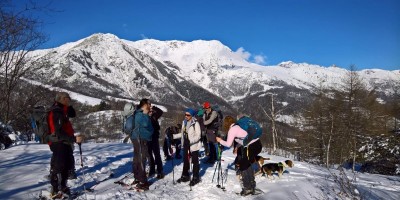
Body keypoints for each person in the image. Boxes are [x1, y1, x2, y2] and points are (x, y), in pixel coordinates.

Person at [47, 92, 83, 198]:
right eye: (68, 99)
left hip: (64, 142)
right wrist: (74, 139)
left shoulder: (62, 109)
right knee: (59, 166)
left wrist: (69, 106)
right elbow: (59, 132)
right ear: (61, 99)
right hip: (58, 142)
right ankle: (56, 191)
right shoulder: (57, 112)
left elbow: (73, 114)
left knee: (66, 165)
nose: (69, 100)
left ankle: (62, 187)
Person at [216, 115, 262, 196]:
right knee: (247, 164)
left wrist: (220, 140)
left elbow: (228, 144)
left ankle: (248, 188)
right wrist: (237, 147)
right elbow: (243, 138)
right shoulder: (238, 126)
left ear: (226, 124)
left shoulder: (232, 130)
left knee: (243, 166)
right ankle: (251, 186)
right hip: (256, 145)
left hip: (251, 147)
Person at [174, 108, 202, 186]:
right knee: (186, 160)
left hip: (194, 145)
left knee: (195, 161)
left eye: (188, 115)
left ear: (192, 115)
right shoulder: (184, 122)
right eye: (185, 114)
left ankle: (196, 177)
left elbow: (198, 136)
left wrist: (191, 141)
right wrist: (173, 136)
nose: (186, 116)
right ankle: (185, 175)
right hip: (186, 143)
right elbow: (183, 134)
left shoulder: (195, 123)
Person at [131, 98, 153, 191]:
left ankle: (137, 177)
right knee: (141, 159)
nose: (150, 106)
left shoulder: (138, 113)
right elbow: (145, 123)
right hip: (140, 139)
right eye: (149, 105)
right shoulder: (140, 114)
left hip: (138, 138)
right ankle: (143, 182)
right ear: (145, 105)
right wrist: (147, 115)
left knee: (137, 159)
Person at [147, 106, 164, 179]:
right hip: (147, 138)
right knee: (149, 155)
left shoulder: (154, 116)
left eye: (151, 111)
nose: (150, 113)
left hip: (154, 138)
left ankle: (159, 170)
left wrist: (153, 107)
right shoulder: (144, 117)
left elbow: (160, 112)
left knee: (156, 154)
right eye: (149, 111)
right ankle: (152, 169)